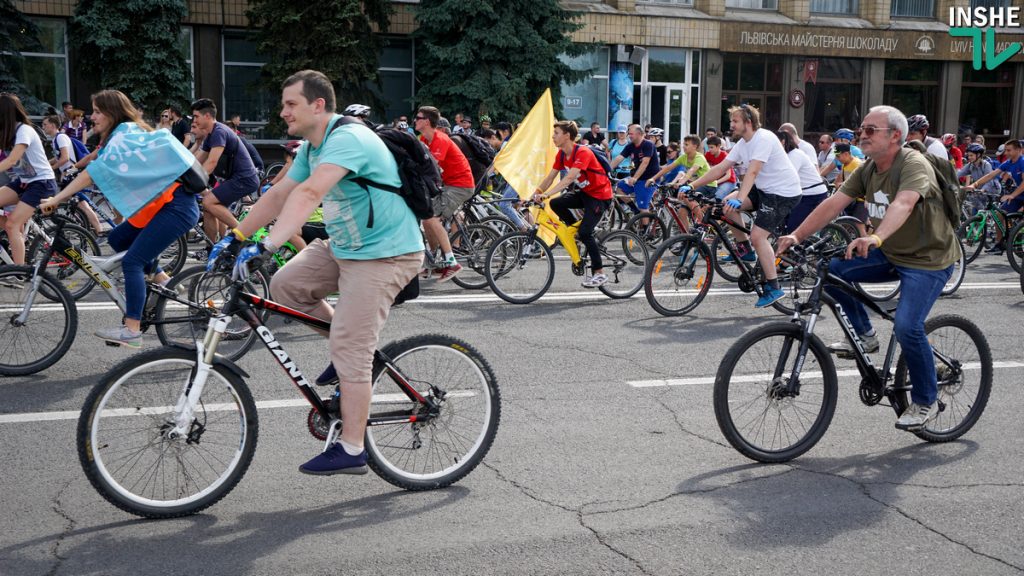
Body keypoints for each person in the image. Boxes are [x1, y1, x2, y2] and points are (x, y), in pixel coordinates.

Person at [209, 69, 423, 475]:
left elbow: (310, 194)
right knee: (286, 285)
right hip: (345, 247)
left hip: (385, 255)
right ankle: (347, 352)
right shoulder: (313, 145)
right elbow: (280, 193)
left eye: (291, 104)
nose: (283, 111)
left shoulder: (348, 138)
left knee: (350, 350)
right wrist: (236, 236)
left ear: (318, 105)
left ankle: (353, 447)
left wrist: (267, 245)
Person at [776, 105, 959, 431]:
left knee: (907, 326)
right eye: (862, 128)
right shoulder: (869, 168)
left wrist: (875, 238)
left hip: (928, 260)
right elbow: (833, 204)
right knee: (831, 269)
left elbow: (903, 203)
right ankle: (865, 335)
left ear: (896, 136)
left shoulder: (913, 164)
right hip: (890, 251)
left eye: (871, 130)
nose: (862, 134)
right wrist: (795, 234)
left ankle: (926, 400)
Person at [40, 89, 200, 347]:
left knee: (133, 262)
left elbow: (93, 173)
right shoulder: (123, 133)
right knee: (117, 237)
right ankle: (163, 280)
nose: (92, 117)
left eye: (97, 111)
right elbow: (96, 160)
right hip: (163, 206)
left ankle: (133, 329)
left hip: (175, 207)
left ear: (112, 112)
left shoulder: (123, 135)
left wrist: (56, 199)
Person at [683, 104, 801, 308]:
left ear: (748, 122)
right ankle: (745, 249)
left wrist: (741, 197)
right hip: (764, 189)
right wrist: (690, 185)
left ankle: (774, 287)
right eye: (731, 121)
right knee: (724, 206)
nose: (731, 125)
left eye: (735, 121)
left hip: (783, 193)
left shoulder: (763, 138)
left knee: (758, 236)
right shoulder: (742, 144)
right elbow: (720, 168)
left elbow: (753, 171)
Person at [531, 121, 612, 287]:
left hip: (600, 196)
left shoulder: (582, 152)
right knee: (556, 203)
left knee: (585, 233)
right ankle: (573, 231)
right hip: (585, 193)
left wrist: (546, 194)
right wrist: (536, 193)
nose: (553, 136)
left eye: (556, 133)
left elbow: (568, 178)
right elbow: (550, 177)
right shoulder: (561, 154)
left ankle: (599, 273)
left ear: (567, 135)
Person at [190, 97, 260, 252]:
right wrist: (182, 174)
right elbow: (196, 161)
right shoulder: (210, 135)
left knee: (208, 202)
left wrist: (192, 181)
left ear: (207, 116)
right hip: (236, 178)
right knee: (208, 208)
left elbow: (211, 162)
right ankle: (211, 248)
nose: (194, 120)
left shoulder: (219, 132)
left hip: (245, 178)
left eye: (196, 116)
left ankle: (243, 235)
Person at [415, 105, 475, 281]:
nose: (415, 121)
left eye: (418, 118)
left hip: (460, 185)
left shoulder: (439, 139)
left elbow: (430, 167)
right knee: (427, 220)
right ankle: (432, 262)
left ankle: (451, 262)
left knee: (432, 218)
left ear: (427, 121)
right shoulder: (424, 140)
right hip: (448, 185)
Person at [0, 93, 58, 265]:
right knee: (11, 227)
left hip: (41, 183)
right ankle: (14, 236)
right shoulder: (6, 133)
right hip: (24, 182)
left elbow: (11, 160)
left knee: (11, 225)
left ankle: (19, 272)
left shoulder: (24, 130)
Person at [964, 138, 1024, 255]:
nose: (1005, 153)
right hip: (1019, 196)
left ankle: (1017, 237)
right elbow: (992, 174)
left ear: (1018, 150)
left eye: (1008, 150)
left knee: (1020, 219)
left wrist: (1011, 195)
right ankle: (1000, 243)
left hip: (1018, 194)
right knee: (998, 214)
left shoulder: (1022, 162)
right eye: (1005, 150)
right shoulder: (1009, 163)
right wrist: (975, 184)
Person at [777, 129, 828, 234]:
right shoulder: (785, 156)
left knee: (793, 225)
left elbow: (788, 177)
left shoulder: (795, 154)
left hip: (813, 194)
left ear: (782, 142)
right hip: (801, 193)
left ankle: (800, 247)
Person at [609, 124, 660, 211]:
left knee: (643, 208)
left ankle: (645, 223)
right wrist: (606, 169)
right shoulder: (630, 146)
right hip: (637, 178)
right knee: (619, 189)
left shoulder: (648, 145)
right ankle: (635, 211)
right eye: (629, 134)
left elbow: (645, 162)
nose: (629, 136)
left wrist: (635, 178)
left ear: (639, 134)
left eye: (631, 134)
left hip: (648, 179)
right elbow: (619, 158)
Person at [959, 142, 999, 217]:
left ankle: (985, 216)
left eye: (971, 155)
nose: (969, 157)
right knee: (972, 201)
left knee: (973, 198)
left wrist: (982, 190)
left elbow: (989, 181)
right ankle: (976, 221)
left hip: (992, 190)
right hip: (979, 190)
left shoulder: (986, 165)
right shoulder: (970, 165)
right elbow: (960, 173)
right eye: (968, 155)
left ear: (979, 155)